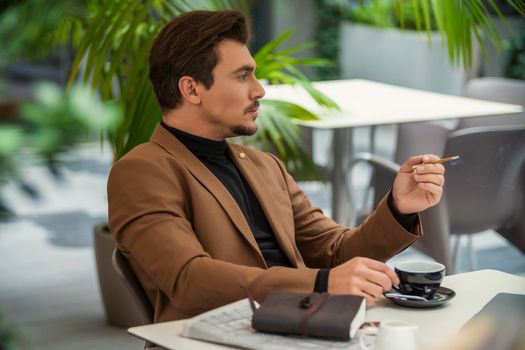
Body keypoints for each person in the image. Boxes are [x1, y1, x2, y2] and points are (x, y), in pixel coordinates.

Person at [107, 9, 446, 323]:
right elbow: (189, 280)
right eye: (243, 77)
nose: (259, 90)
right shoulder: (143, 171)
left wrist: (399, 208)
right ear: (191, 88)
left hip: (299, 328)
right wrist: (322, 283)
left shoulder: (263, 166)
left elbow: (335, 253)